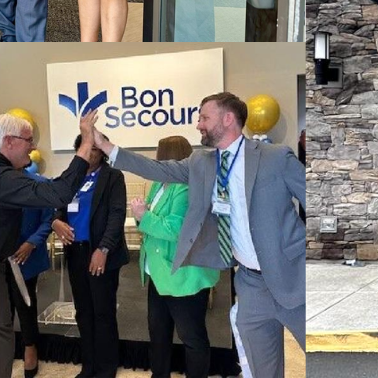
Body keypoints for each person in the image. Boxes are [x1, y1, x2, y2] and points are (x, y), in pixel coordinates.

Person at [93, 92, 306, 376]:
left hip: (293, 276)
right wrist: (106, 147)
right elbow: (155, 168)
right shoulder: (201, 164)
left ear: (228, 119)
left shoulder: (275, 157)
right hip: (250, 284)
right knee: (264, 371)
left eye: (204, 117)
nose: (198, 125)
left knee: (331, 355)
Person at [0, 111, 97, 378]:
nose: (33, 147)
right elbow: (58, 192)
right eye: (28, 140)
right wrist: (86, 142)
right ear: (9, 141)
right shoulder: (0, 176)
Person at [140, 135, 217, 377]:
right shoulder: (159, 184)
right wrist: (140, 215)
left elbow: (176, 229)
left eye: (158, 153)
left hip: (184, 276)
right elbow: (148, 219)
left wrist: (143, 216)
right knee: (158, 335)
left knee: (192, 337)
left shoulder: (187, 187)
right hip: (158, 273)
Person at [52, 134, 127, 377]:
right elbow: (57, 208)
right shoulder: (71, 177)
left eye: (95, 149)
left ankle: (106, 368)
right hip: (76, 253)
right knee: (83, 311)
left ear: (103, 152)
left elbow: (117, 216)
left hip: (100, 254)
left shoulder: (112, 177)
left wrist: (103, 249)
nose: (91, 152)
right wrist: (56, 221)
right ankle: (89, 365)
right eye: (85, 147)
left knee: (103, 312)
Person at [12, 156, 56, 378]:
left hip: (26, 257)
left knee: (26, 304)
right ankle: (4, 349)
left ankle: (30, 349)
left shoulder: (40, 183)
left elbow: (49, 220)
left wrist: (31, 243)